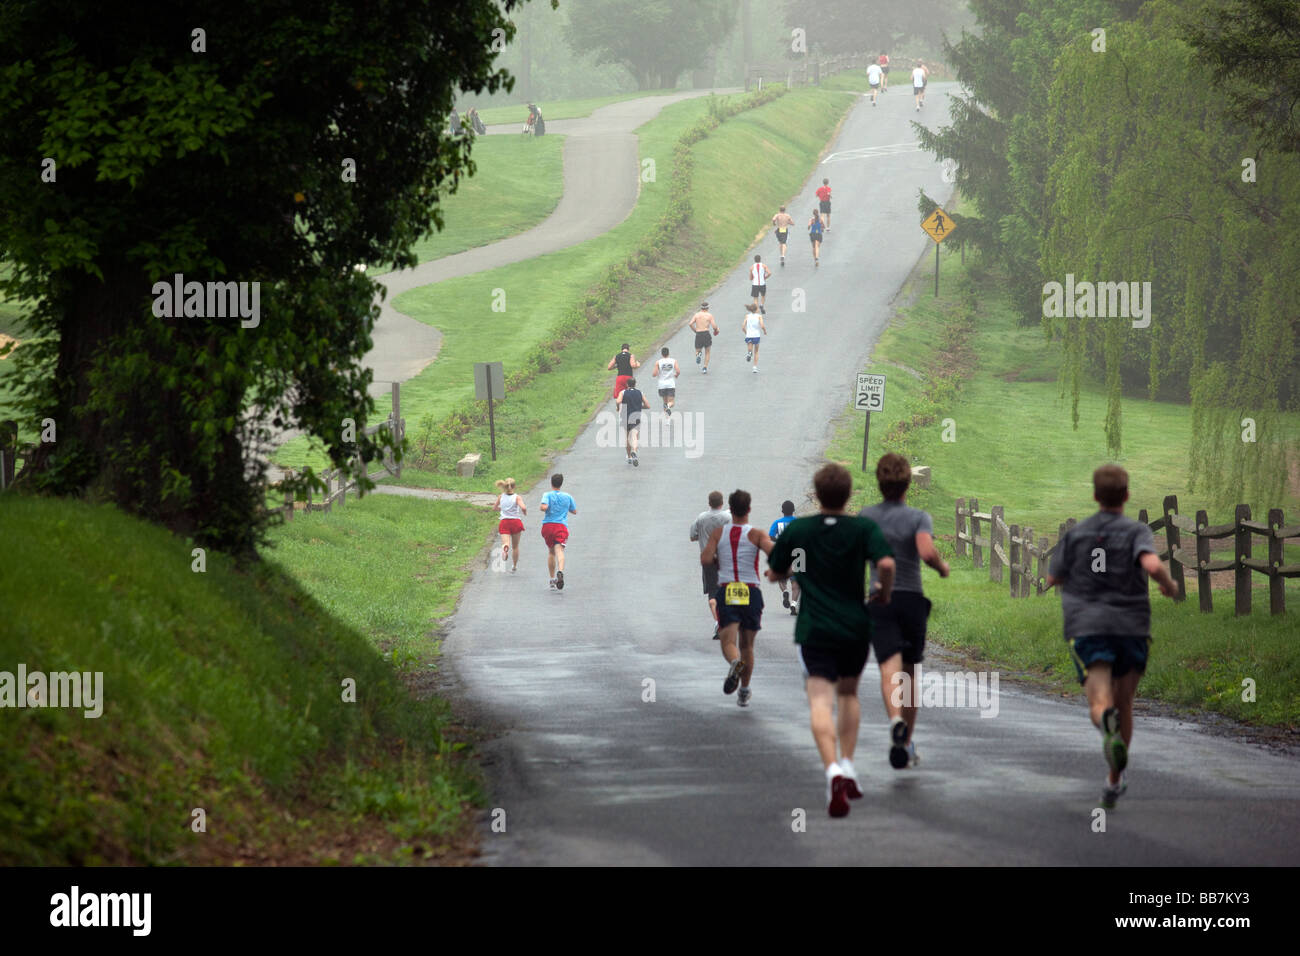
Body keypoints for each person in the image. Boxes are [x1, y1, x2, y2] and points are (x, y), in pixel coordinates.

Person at [1044, 464, 1180, 809]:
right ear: (1127, 495)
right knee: (1126, 703)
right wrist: (1168, 584)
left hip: (1088, 626)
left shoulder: (1078, 534)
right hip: (1131, 626)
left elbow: (1052, 579)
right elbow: (1151, 565)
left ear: (1095, 496)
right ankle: (1114, 780)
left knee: (1100, 701)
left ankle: (1105, 722)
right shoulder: (1137, 531)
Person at [767, 463, 896, 818]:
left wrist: (771, 564)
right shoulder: (863, 528)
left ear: (817, 494)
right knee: (849, 694)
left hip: (814, 629)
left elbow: (778, 571)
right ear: (848, 494)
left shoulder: (801, 530)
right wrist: (882, 592)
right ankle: (850, 765)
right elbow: (885, 563)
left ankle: (832, 772)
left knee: (820, 701)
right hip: (855, 626)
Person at [859, 454, 949, 770]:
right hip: (911, 599)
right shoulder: (918, 517)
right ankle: (907, 742)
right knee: (910, 674)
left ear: (879, 482)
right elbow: (926, 551)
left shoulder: (866, 516)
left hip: (880, 600)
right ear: (908, 483)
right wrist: (942, 566)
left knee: (889, 668)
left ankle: (895, 719)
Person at [701, 490, 775, 708]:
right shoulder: (758, 534)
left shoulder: (719, 533)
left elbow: (705, 558)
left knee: (728, 641)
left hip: (728, 589)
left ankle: (734, 663)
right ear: (749, 509)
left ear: (730, 510)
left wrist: (717, 560)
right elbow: (776, 555)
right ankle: (744, 691)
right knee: (748, 646)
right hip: (750, 590)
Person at [690, 491, 732, 639]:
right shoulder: (727, 518)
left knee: (712, 591)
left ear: (709, 503)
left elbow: (693, 536)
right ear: (722, 503)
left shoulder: (701, 518)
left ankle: (717, 621)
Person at [539, 473, 577, 590]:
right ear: (561, 483)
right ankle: (560, 571)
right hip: (561, 526)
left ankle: (551, 579)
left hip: (548, 526)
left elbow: (543, 507)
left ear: (551, 483)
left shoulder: (547, 495)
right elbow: (574, 511)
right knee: (559, 550)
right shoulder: (568, 497)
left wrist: (544, 507)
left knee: (551, 552)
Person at [769, 500, 801, 614]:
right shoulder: (799, 522)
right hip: (798, 552)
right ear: (793, 511)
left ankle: (784, 592)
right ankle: (793, 604)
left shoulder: (777, 523)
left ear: (782, 511)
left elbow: (771, 536)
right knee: (796, 581)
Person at [494, 477, 527, 573]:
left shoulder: (501, 497)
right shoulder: (517, 497)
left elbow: (494, 508)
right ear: (514, 486)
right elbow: (523, 507)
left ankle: (505, 548)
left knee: (506, 542)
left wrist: (502, 510)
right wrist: (524, 512)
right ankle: (514, 566)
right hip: (515, 522)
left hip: (504, 522)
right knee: (515, 546)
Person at [616, 376, 648, 466]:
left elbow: (618, 401)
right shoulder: (640, 393)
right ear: (635, 384)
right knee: (634, 436)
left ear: (627, 384)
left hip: (625, 416)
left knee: (627, 437)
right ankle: (634, 451)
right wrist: (639, 406)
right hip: (636, 416)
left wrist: (618, 408)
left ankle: (629, 457)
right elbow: (647, 405)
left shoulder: (623, 392)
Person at [607, 343, 640, 411]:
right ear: (628, 349)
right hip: (628, 378)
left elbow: (609, 367)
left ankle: (619, 408)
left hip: (620, 378)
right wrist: (637, 364)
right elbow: (633, 365)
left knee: (620, 395)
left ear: (621, 349)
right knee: (630, 394)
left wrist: (617, 366)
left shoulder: (617, 356)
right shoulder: (631, 356)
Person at [689, 302, 720, 372]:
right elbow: (714, 326)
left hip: (699, 334)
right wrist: (716, 330)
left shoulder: (696, 315)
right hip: (706, 333)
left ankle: (698, 355)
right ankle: (705, 368)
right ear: (707, 308)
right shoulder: (709, 315)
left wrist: (695, 331)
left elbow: (690, 323)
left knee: (697, 350)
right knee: (707, 351)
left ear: (701, 308)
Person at [654, 346, 680, 416]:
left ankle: (667, 419)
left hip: (661, 385)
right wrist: (676, 375)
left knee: (665, 402)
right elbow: (678, 371)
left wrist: (658, 372)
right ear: (668, 353)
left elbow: (654, 374)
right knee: (671, 402)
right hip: (670, 384)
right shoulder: (673, 361)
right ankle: (668, 407)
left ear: (662, 354)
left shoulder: (658, 362)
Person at [742, 303, 766, 372]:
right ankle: (754, 367)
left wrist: (746, 333)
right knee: (756, 351)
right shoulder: (759, 316)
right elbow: (762, 326)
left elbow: (743, 326)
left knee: (750, 349)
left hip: (749, 335)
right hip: (756, 335)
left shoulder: (747, 316)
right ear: (756, 309)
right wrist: (764, 331)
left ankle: (749, 353)